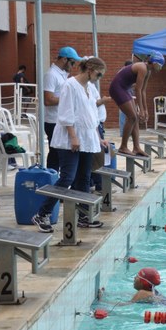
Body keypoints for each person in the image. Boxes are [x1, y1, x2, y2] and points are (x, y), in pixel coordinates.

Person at [32, 57, 109, 233]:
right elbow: (66, 113)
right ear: (89, 69)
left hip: (87, 138)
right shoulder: (70, 85)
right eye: (99, 74)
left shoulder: (89, 87)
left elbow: (92, 116)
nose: (100, 77)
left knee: (84, 177)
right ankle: (42, 214)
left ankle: (82, 215)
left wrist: (98, 137)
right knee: (67, 177)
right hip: (70, 140)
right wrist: (73, 137)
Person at [109, 52, 165, 157]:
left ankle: (136, 147)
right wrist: (141, 110)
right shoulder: (142, 67)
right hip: (117, 88)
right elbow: (138, 90)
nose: (160, 69)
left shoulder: (148, 71)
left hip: (124, 89)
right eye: (160, 66)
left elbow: (143, 91)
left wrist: (145, 110)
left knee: (134, 117)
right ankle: (123, 146)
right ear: (155, 63)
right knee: (132, 117)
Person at [43, 46, 82, 172]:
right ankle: (52, 179)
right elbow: (48, 100)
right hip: (53, 121)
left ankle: (55, 178)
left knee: (59, 153)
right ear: (64, 59)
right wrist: (68, 99)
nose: (73, 65)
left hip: (60, 120)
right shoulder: (51, 75)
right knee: (55, 153)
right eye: (72, 62)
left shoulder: (63, 75)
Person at [118, 60, 135, 137]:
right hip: (123, 96)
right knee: (125, 114)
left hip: (127, 95)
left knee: (128, 115)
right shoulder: (123, 73)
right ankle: (123, 132)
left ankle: (126, 132)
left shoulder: (124, 72)